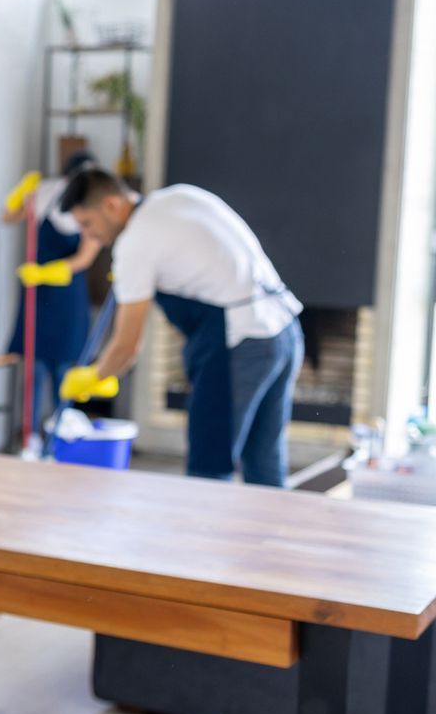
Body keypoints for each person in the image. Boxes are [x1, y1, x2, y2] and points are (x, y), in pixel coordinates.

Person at [60, 169, 305, 487]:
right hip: (284, 332)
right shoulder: (178, 197)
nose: (87, 237)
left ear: (111, 205)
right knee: (264, 460)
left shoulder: (135, 243)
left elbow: (126, 347)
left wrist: (94, 377)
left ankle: (205, 537)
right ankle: (273, 535)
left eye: (87, 224)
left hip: (239, 344)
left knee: (208, 467)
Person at [3, 154, 103, 436]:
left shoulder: (91, 209)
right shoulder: (47, 194)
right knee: (33, 370)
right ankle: (30, 436)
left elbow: (85, 257)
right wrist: (19, 195)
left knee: (63, 371)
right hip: (37, 295)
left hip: (67, 297)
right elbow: (8, 217)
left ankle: (62, 435)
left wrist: (49, 272)